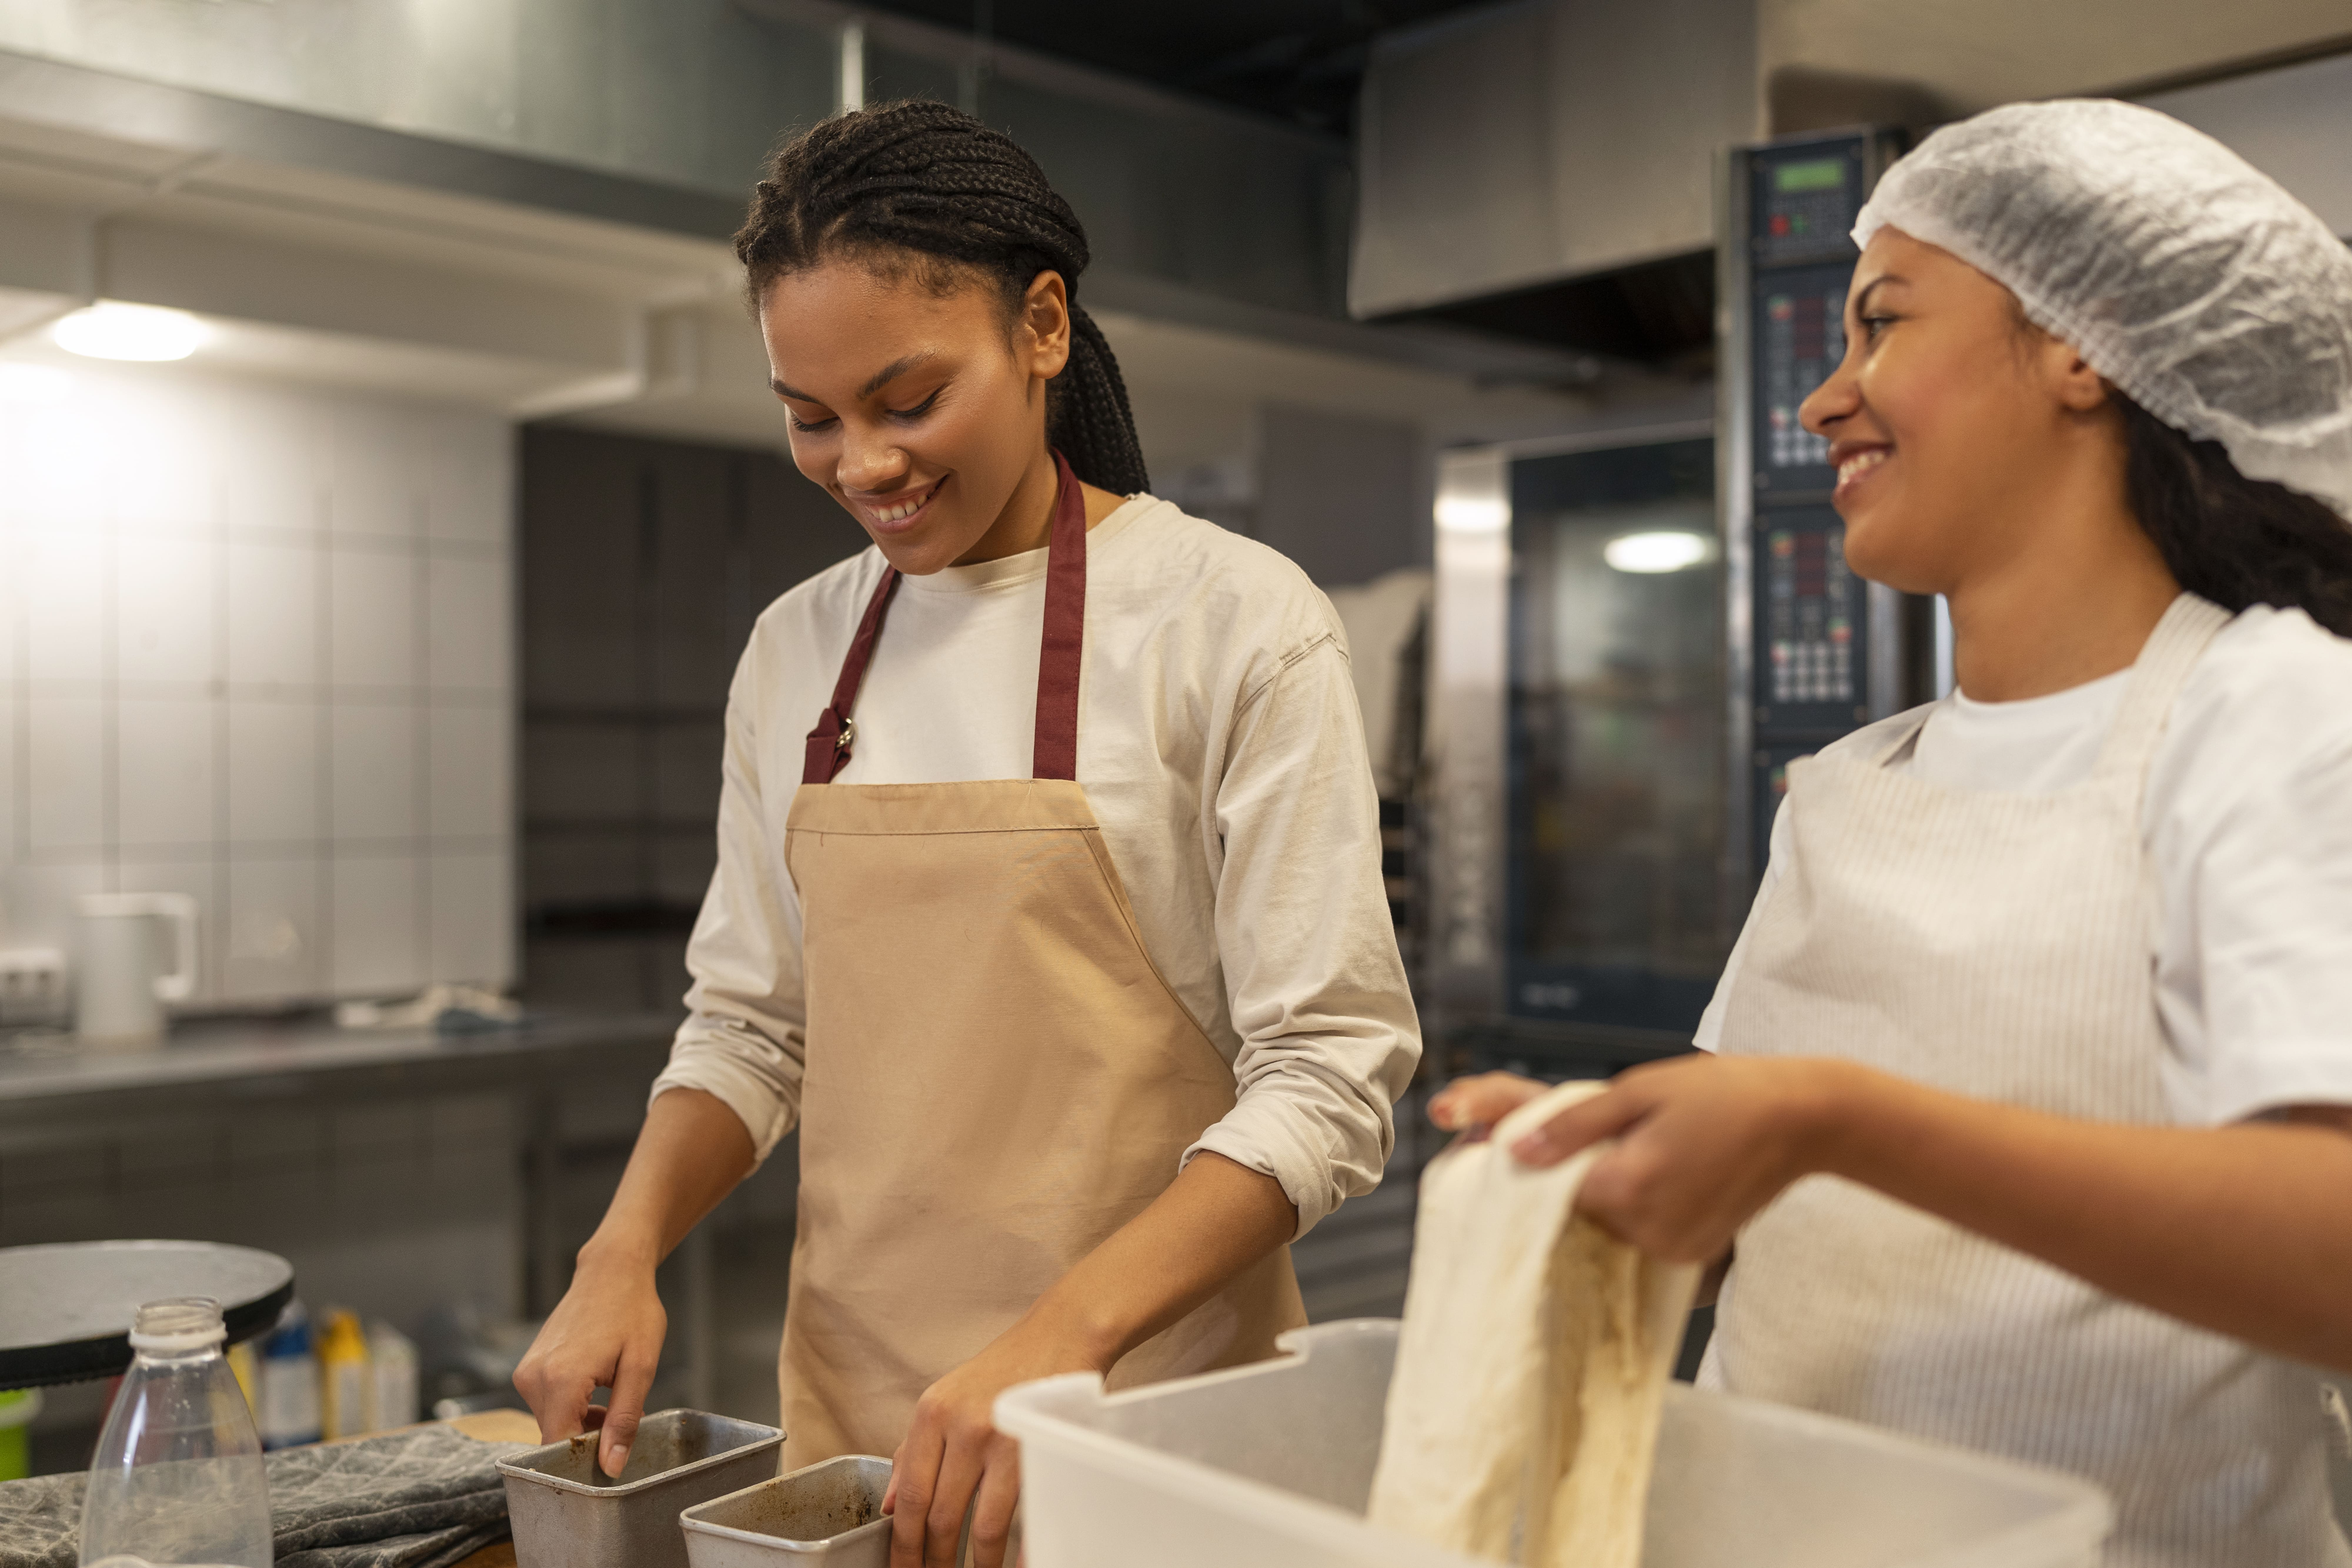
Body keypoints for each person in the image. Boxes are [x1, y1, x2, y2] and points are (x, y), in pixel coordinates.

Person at [1433, 100, 2352, 1568]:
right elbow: (1746, 1209)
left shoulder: (2272, 713)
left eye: (1880, 323)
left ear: (2080, 344)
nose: (1821, 401)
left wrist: (1834, 1119)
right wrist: (1585, 1164)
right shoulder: (1857, 780)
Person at [512, 101, 1420, 1568]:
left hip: (1152, 1430)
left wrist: (1057, 1339)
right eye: (812, 418)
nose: (862, 463)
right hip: (863, 1455)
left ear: (1042, 326)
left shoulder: (1232, 622)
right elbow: (751, 1024)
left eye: (908, 399)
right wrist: (619, 1251)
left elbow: (1327, 1073)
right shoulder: (796, 648)